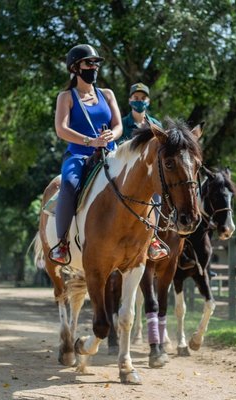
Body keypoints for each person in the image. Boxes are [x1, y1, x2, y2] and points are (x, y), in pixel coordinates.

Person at [49, 44, 123, 264]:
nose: (94, 67)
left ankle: (154, 237)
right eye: (88, 63)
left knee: (143, 175)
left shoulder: (107, 94)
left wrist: (112, 136)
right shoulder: (66, 97)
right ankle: (62, 243)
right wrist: (90, 141)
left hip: (110, 154)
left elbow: (118, 125)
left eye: (96, 63)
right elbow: (61, 129)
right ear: (75, 68)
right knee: (70, 184)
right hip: (79, 155)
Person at [118, 83, 168, 261]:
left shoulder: (156, 124)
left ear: (148, 101)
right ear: (130, 100)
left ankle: (154, 240)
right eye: (136, 98)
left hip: (148, 176)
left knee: (158, 198)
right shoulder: (122, 123)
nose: (139, 101)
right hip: (125, 174)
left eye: (143, 98)